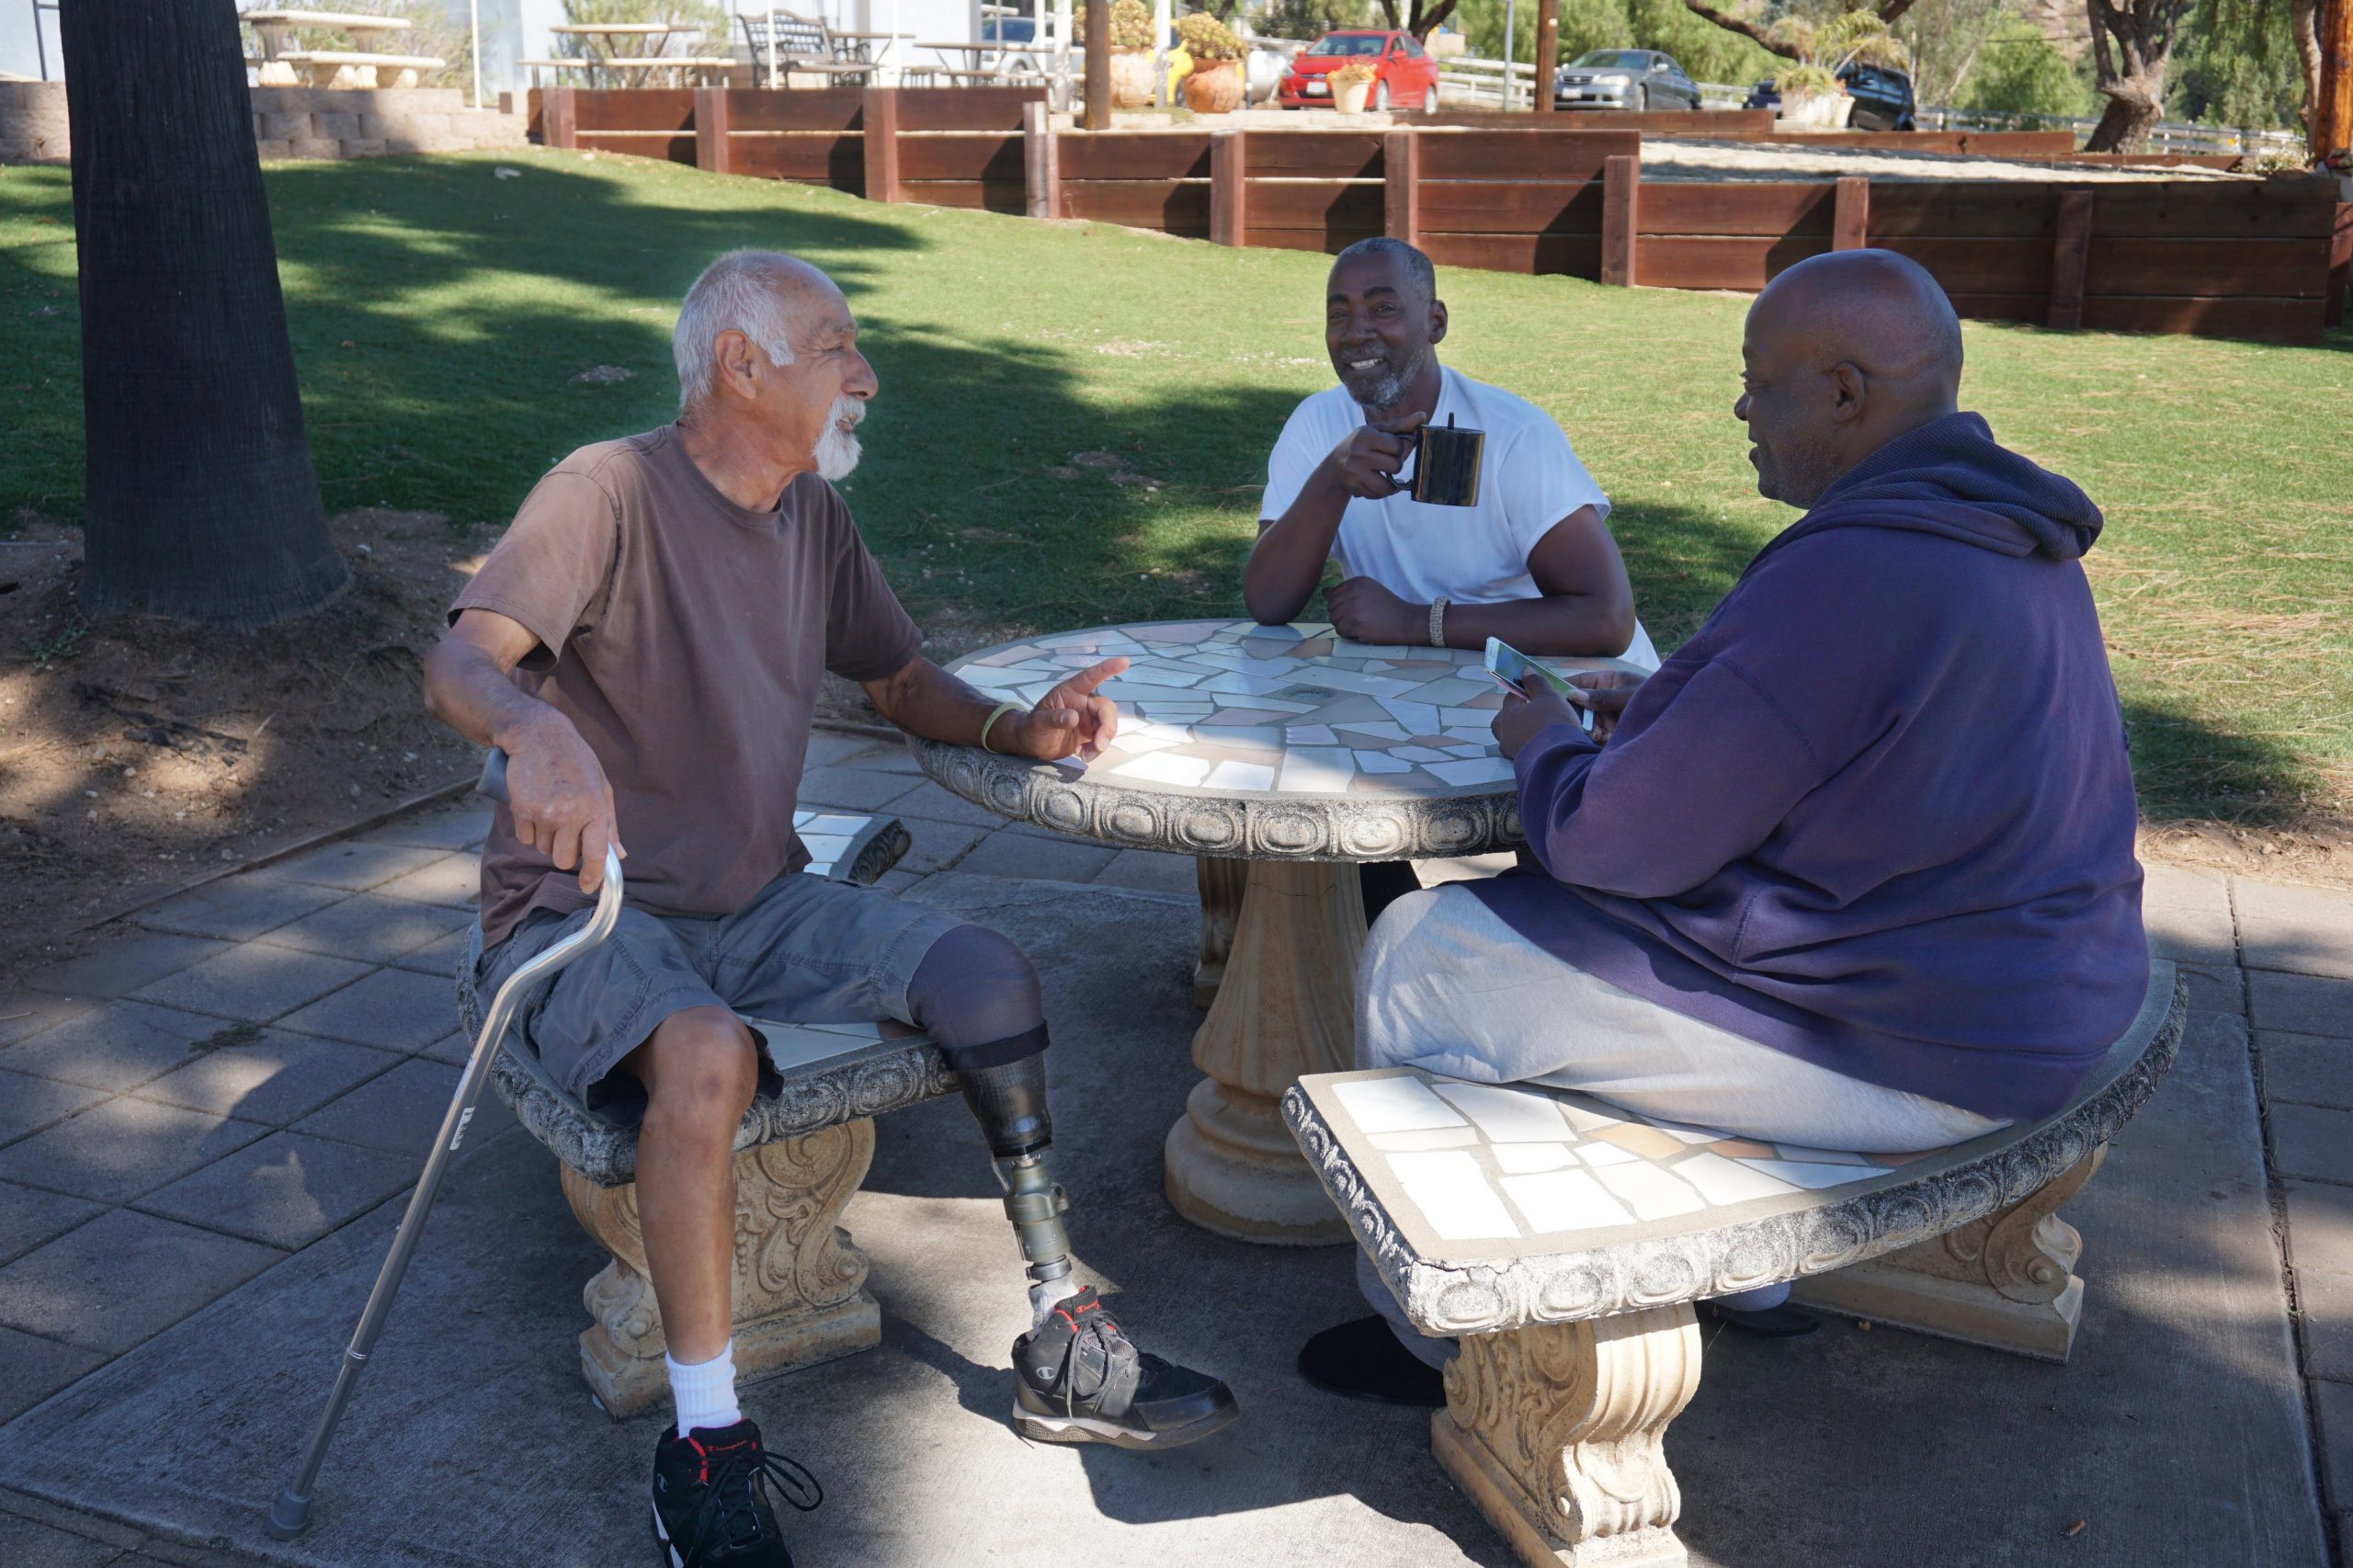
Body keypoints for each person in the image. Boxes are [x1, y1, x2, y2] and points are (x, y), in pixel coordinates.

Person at [424, 251, 1236, 1566]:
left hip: (757, 899)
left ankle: (1060, 1323)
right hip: (585, 908)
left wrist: (1018, 727)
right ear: (740, 365)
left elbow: (900, 676)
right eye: (836, 345)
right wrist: (534, 732)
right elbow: (461, 658)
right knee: (703, 1054)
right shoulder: (607, 490)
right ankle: (704, 1441)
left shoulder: (813, 519)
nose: (865, 372)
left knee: (989, 973)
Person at [1301, 249, 2150, 1402]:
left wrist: (1541, 741)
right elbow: (1862, 728)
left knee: (1425, 949)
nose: (1741, 406)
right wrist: (1661, 704)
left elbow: (1612, 843)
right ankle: (1745, 1283)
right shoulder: (2002, 533)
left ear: (1845, 394)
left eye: (1759, 379)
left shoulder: (1863, 563)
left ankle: (1440, 1341)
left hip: (1922, 1043)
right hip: (2036, 990)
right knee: (1542, 947)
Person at [1244, 236, 1661, 919]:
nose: (1357, 333)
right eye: (1338, 313)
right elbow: (1268, 601)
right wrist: (1332, 479)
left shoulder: (1512, 434)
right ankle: (1363, 952)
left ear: (1434, 322)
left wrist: (1415, 622)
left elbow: (1606, 618)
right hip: (1429, 694)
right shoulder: (1318, 425)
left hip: (1579, 702)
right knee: (1321, 795)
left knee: (1567, 894)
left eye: (1383, 309)